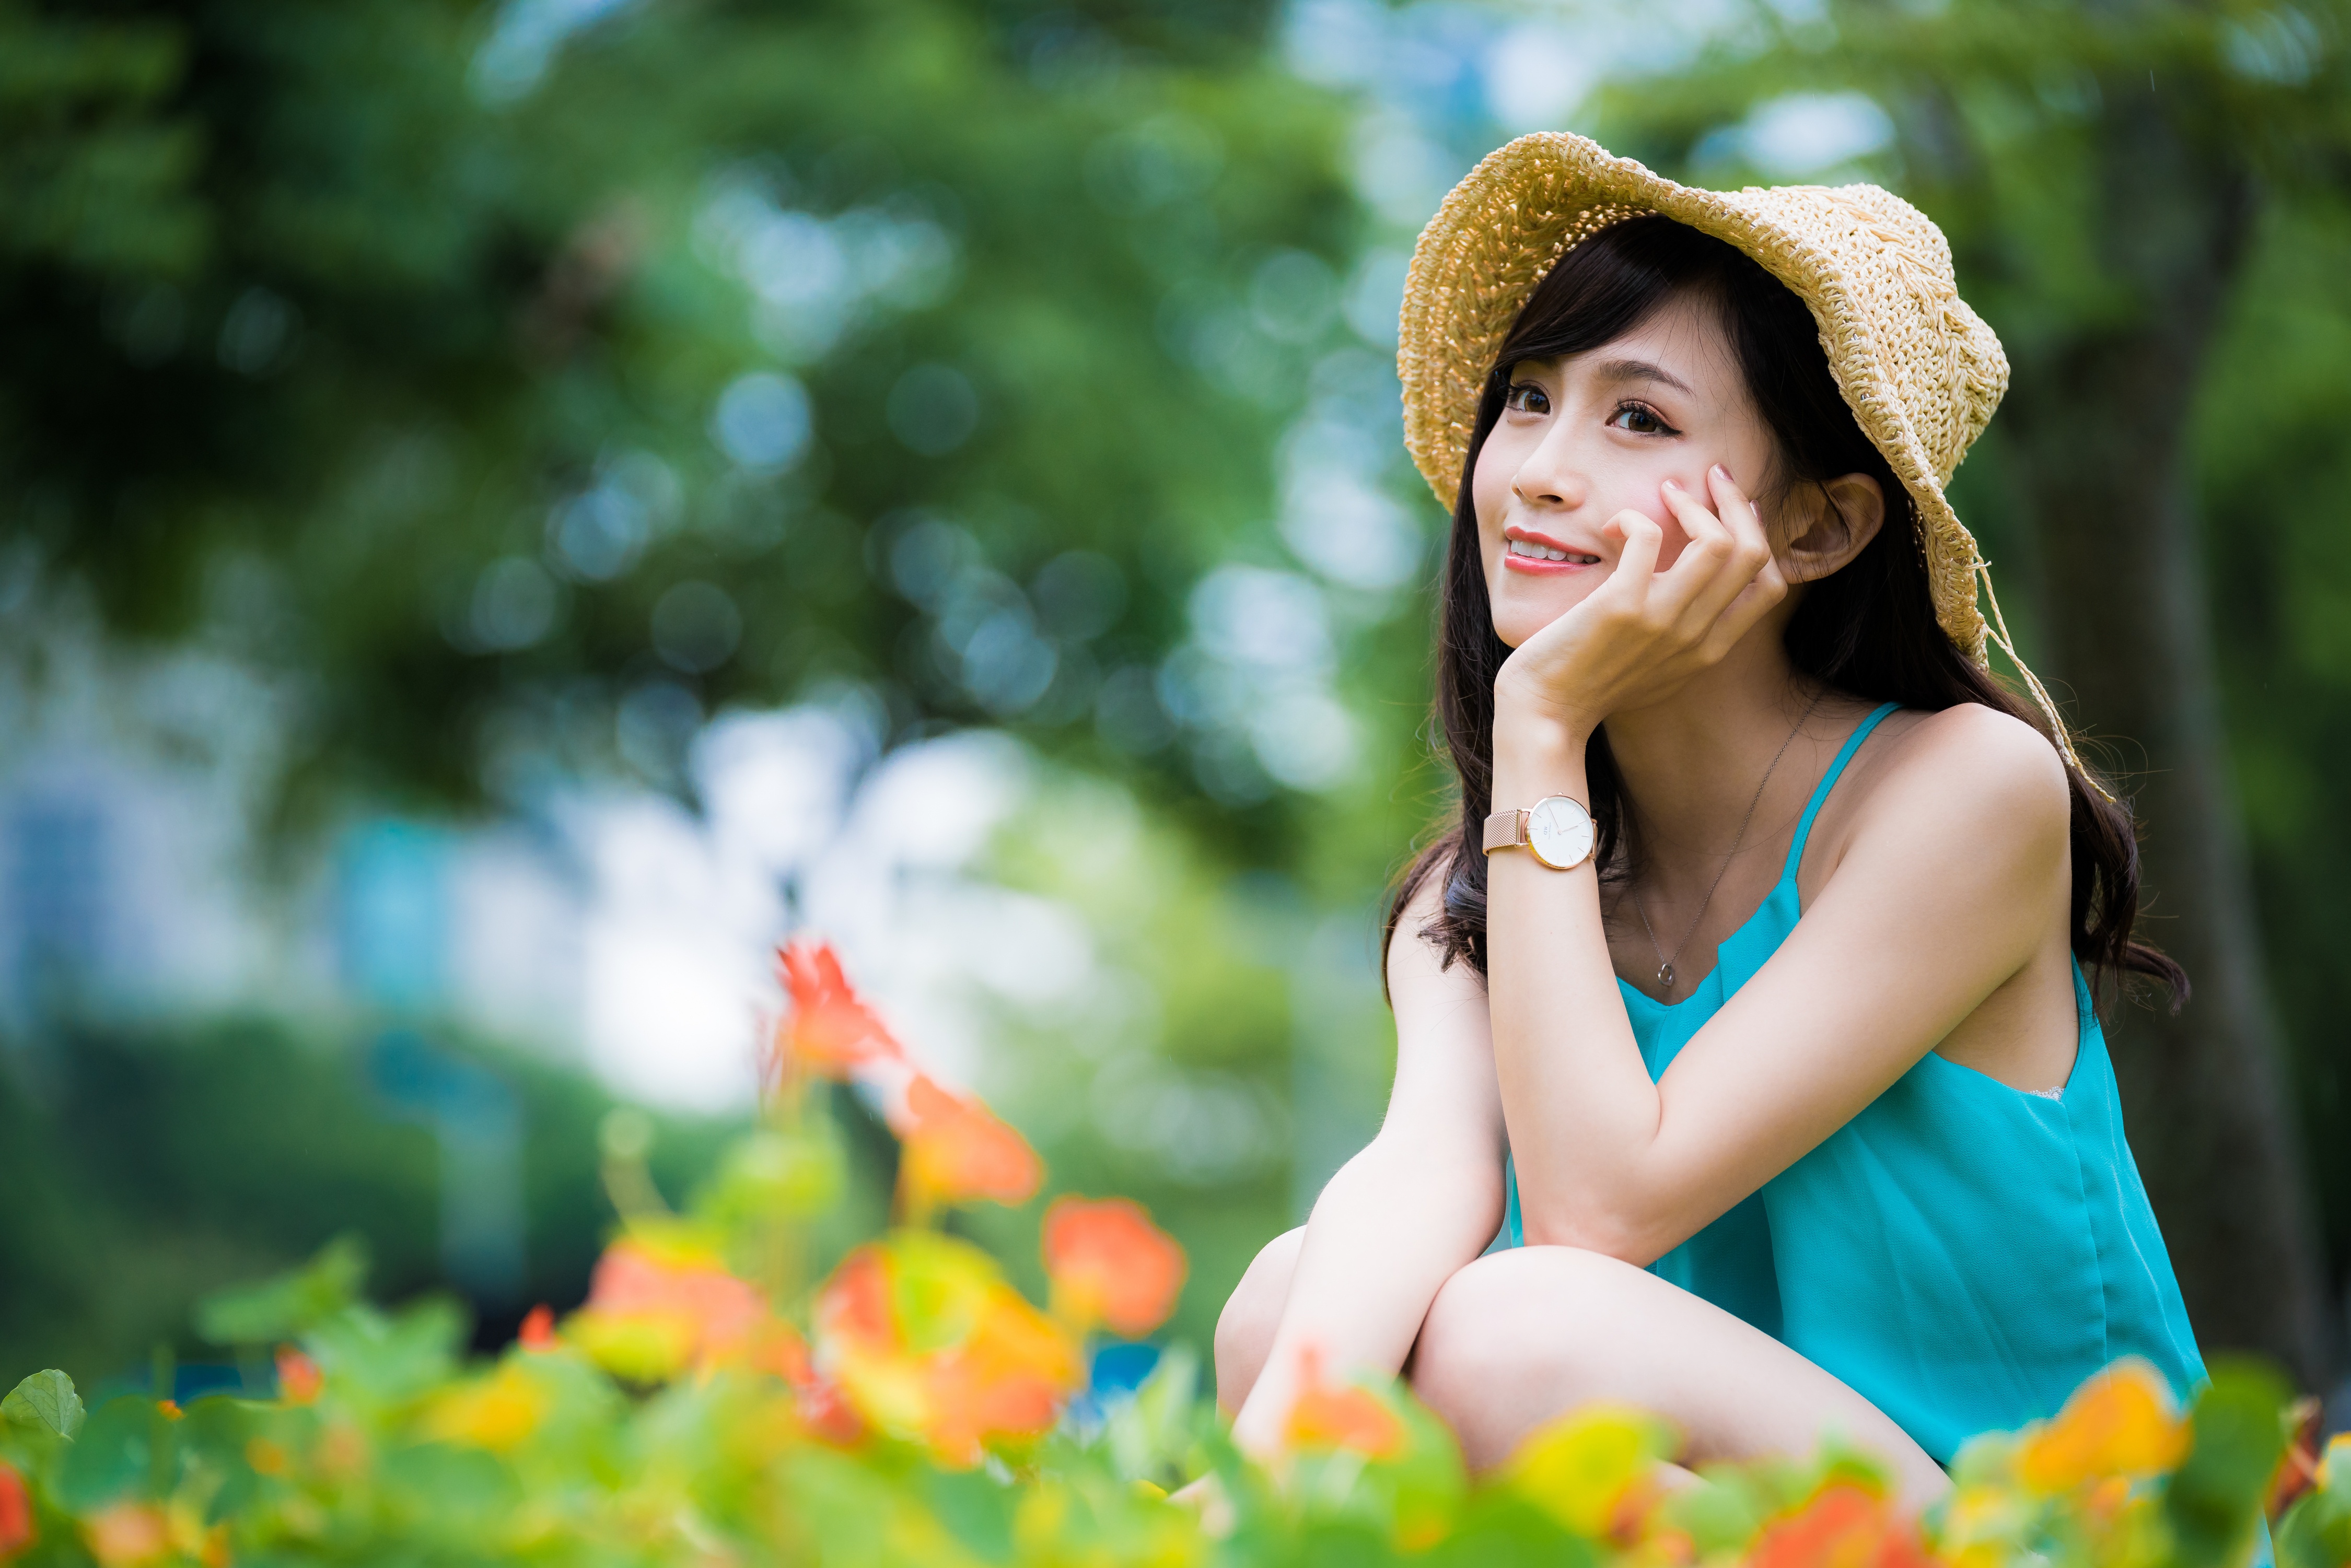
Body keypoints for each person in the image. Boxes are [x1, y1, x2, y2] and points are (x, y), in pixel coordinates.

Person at [1211, 133, 2210, 1510]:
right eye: (1528, 399)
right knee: (1288, 1304)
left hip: (2026, 1528)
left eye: (1639, 420)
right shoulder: (1488, 870)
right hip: (1760, 1516)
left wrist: (1543, 730)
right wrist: (1247, 1495)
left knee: (1507, 1335)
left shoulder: (1962, 790)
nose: (1540, 471)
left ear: (1814, 528)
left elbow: (1598, 1212)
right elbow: (1417, 1173)